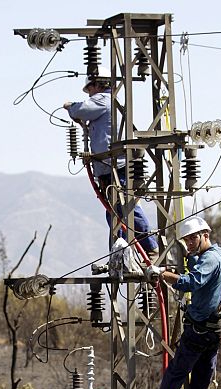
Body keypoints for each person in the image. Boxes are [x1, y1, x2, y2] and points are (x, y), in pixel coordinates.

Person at [135, 216, 221, 389]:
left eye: (193, 239)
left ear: (206, 234)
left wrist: (162, 273)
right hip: (216, 329)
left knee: (176, 372)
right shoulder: (219, 254)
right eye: (187, 240)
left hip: (199, 329)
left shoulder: (210, 260)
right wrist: (191, 257)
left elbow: (190, 282)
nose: (190, 243)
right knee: (205, 370)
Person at [63, 67, 158, 255]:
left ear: (97, 84)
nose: (88, 93)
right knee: (114, 214)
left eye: (89, 89)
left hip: (115, 166)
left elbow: (81, 110)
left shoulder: (102, 100)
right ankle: (127, 250)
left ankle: (150, 247)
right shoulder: (109, 103)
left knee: (126, 208)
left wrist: (70, 106)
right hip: (107, 167)